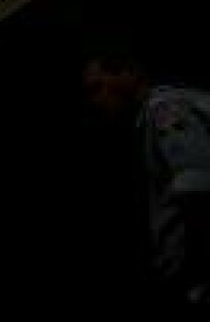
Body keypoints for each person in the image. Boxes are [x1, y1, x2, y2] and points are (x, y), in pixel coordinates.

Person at [83, 54, 210, 307]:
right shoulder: (172, 105)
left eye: (98, 87)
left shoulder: (164, 109)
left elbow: (198, 189)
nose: (95, 100)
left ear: (129, 73)